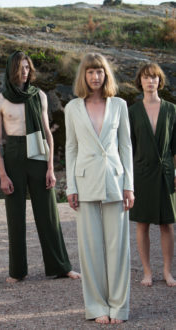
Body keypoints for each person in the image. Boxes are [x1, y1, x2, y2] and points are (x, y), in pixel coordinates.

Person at [0, 51, 80, 283]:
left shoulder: (38, 95)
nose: (24, 71)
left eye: (27, 67)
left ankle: (61, 266)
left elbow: (48, 133)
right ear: (11, 69)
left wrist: (50, 168)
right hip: (14, 154)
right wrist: (2, 174)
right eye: (20, 67)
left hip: (38, 153)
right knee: (15, 216)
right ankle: (17, 271)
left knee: (48, 212)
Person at [65, 53, 134, 324]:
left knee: (118, 249)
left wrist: (129, 184)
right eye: (91, 72)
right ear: (84, 75)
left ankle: (119, 307)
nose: (96, 76)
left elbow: (126, 146)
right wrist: (70, 185)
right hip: (84, 184)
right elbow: (71, 148)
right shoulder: (72, 108)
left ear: (106, 75)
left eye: (100, 71)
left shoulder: (119, 105)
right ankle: (96, 307)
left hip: (116, 182)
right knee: (90, 249)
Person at [129, 62, 176, 287]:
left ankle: (167, 271)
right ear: (140, 81)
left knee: (167, 223)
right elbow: (128, 147)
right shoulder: (133, 111)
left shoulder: (172, 109)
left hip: (166, 172)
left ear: (160, 81)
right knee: (142, 224)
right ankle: (147, 272)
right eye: (146, 77)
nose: (150, 81)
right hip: (141, 172)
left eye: (154, 77)